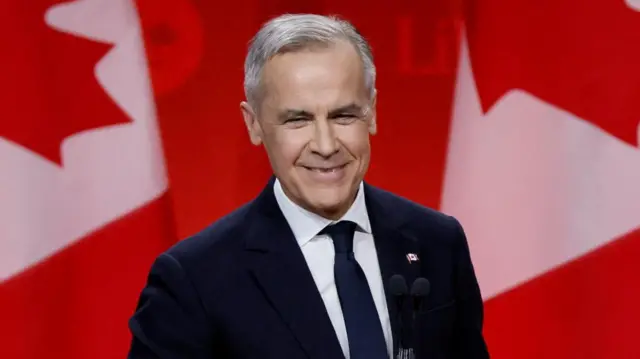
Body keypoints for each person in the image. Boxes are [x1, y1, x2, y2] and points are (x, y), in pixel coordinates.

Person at [127, 13, 490, 359]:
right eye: (297, 120)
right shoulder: (194, 280)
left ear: (373, 112)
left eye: (343, 115)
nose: (326, 144)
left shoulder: (438, 242)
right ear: (254, 124)